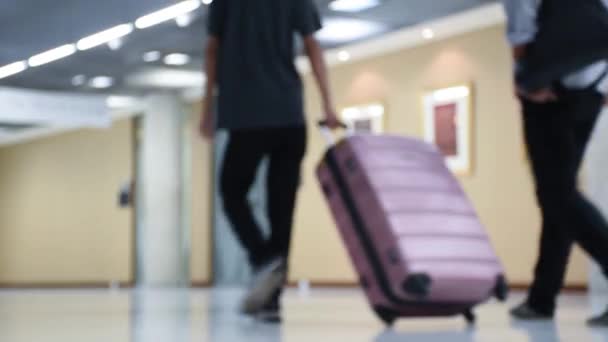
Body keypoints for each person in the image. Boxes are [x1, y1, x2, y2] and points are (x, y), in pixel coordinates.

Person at [199, 0, 341, 323]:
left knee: (231, 193)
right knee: (282, 209)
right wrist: (328, 106)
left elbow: (212, 50)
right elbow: (312, 46)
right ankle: (271, 299)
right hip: (289, 115)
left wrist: (209, 108)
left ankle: (264, 260)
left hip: (247, 116)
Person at [502, 0, 608, 326]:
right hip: (593, 85)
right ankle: (541, 298)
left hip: (550, 90)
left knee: (555, 193)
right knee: (560, 194)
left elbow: (522, 26)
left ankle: (542, 298)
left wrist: (526, 79)